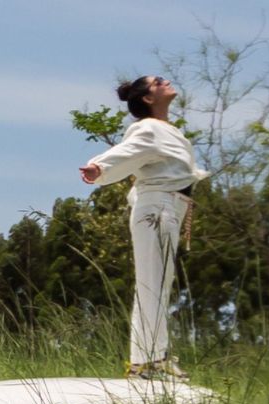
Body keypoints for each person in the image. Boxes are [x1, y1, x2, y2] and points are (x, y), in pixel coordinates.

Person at [79, 75, 208, 380]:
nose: (167, 82)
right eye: (159, 81)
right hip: (158, 209)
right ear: (148, 98)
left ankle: (147, 360)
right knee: (153, 284)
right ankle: (150, 361)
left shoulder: (165, 130)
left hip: (166, 208)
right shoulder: (147, 128)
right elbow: (128, 150)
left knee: (156, 285)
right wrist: (100, 166)